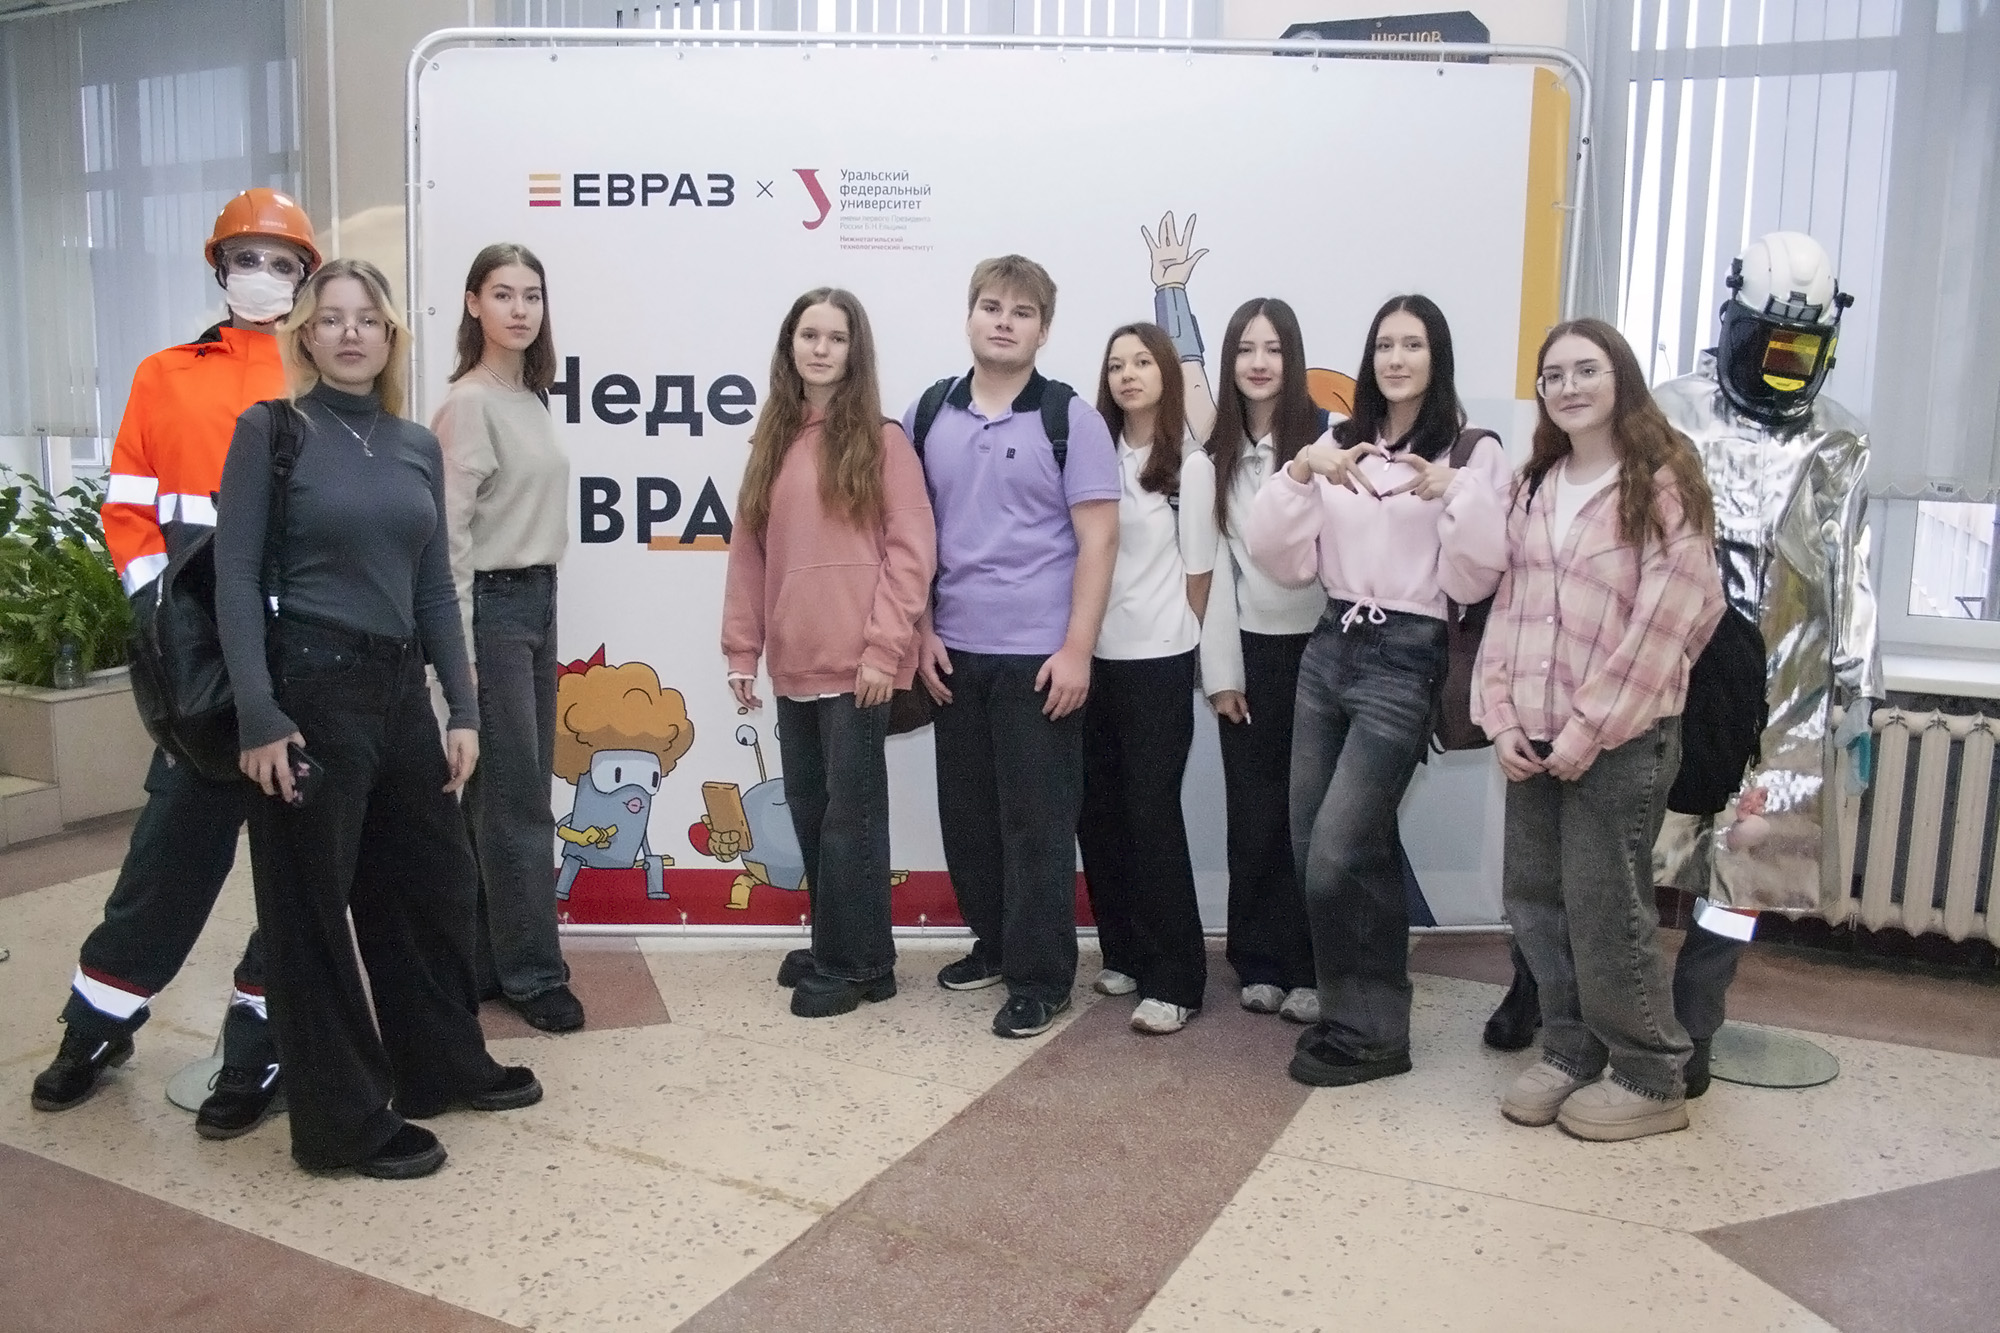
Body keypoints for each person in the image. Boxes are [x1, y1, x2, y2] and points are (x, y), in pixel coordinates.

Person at [1484, 234, 1880, 1101]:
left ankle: (1689, 1023)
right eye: (1769, 344)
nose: (1781, 365)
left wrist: (1857, 686)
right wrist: (1509, 711)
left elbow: (1849, 563)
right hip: (1652, 673)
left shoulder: (1840, 440)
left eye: (1800, 351)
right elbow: (1519, 594)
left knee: (1743, 866)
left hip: (1777, 674)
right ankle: (1564, 1018)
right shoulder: (1666, 415)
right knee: (1600, 874)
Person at [215, 258, 538, 1179]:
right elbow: (235, 576)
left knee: (431, 885)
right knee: (310, 915)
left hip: (399, 693)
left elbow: (434, 586)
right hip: (308, 690)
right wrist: (258, 715)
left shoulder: (411, 443)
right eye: (331, 318)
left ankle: (439, 1064)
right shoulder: (272, 431)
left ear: (390, 336)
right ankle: (342, 1123)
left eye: (367, 319)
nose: (350, 332)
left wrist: (462, 708)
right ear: (307, 335)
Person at [30, 189, 316, 1138]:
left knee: (297, 865)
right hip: (201, 664)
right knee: (170, 856)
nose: (262, 274)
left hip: (301, 656)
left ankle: (259, 1040)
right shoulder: (164, 375)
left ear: (306, 278)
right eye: (246, 257)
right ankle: (96, 1024)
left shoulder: (319, 372)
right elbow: (128, 506)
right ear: (219, 266)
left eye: (282, 261)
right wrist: (164, 616)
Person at [1246, 295, 1508, 1087]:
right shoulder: (1337, 442)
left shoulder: (1472, 450)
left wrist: (1456, 492)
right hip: (1330, 644)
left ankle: (1371, 1030)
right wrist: (1301, 471)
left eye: (1413, 345)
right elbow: (1279, 557)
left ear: (1437, 357)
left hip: (1406, 654)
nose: (1396, 358)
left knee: (1341, 847)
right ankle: (1357, 1016)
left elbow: (1477, 575)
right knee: (1318, 843)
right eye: (1385, 345)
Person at [1477, 318, 1724, 1142]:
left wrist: (1589, 729)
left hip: (1621, 740)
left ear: (1620, 377)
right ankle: (1572, 1048)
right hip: (1535, 734)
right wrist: (1501, 717)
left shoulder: (1661, 480)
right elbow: (1509, 607)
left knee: (1604, 902)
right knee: (1536, 898)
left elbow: (1671, 618)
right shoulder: (1537, 482)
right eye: (1554, 374)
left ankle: (1651, 1071)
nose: (1569, 386)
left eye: (1587, 369)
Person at [909, 255, 1121, 1039]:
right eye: (991, 306)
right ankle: (995, 947)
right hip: (953, 653)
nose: (1004, 321)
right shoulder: (928, 412)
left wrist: (1077, 650)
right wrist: (921, 630)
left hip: (1040, 658)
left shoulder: (1071, 418)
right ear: (969, 316)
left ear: (1044, 329)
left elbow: (1100, 540)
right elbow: (910, 535)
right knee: (969, 818)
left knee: (1037, 825)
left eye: (1022, 311)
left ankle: (1041, 978)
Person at [722, 287, 936, 1018]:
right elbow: (748, 555)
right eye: (808, 335)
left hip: (861, 667)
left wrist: (884, 649)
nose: (820, 348)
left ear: (854, 351)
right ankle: (837, 944)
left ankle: (862, 963)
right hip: (794, 664)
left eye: (836, 337)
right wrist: (742, 651)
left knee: (854, 818)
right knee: (813, 811)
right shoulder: (772, 444)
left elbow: (912, 550)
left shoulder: (883, 440)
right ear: (790, 347)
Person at [431, 243, 579, 1033]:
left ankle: (488, 960)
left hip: (536, 600)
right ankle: (534, 974)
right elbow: (447, 541)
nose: (520, 309)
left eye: (532, 295)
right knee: (516, 799)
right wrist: (457, 659)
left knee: (501, 795)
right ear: (472, 303)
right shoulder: (469, 403)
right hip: (491, 607)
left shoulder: (528, 396)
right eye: (503, 294)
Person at [1177, 299, 1328, 1024]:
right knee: (1256, 812)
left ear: (1292, 358)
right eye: (1245, 349)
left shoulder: (1328, 440)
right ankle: (1261, 960)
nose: (1259, 362)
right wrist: (1223, 676)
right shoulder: (1214, 456)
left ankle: (1314, 964)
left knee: (1317, 815)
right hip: (1251, 651)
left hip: (1326, 652)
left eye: (1273, 348)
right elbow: (1215, 574)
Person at [1079, 322, 1206, 1034]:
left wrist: (1186, 641)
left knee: (1152, 814)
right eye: (1116, 365)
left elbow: (1201, 573)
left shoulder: (1190, 462)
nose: (1128, 374)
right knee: (1098, 812)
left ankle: (1176, 979)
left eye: (1142, 362)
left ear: (1166, 374)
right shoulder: (1091, 454)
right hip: (1090, 656)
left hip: (1158, 658)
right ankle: (1124, 952)